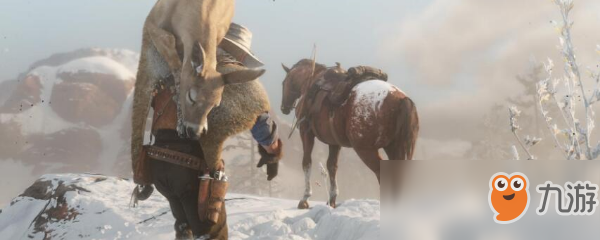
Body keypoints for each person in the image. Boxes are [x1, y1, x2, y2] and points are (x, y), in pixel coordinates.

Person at [137, 23, 282, 239]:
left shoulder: (178, 67)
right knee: (212, 236)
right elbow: (263, 129)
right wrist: (272, 153)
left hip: (158, 167)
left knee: (184, 228)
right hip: (192, 172)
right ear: (240, 53)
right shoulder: (232, 76)